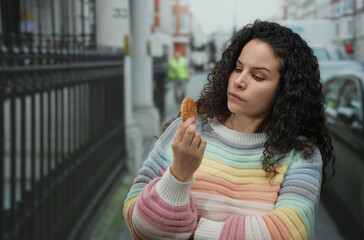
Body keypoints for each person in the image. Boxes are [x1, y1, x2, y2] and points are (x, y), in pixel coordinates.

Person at [123, 20, 335, 240]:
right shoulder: (186, 132)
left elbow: (290, 233)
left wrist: (197, 232)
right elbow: (139, 223)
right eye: (238, 68)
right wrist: (179, 174)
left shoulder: (300, 154)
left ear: (286, 91)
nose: (239, 81)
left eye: (258, 76)